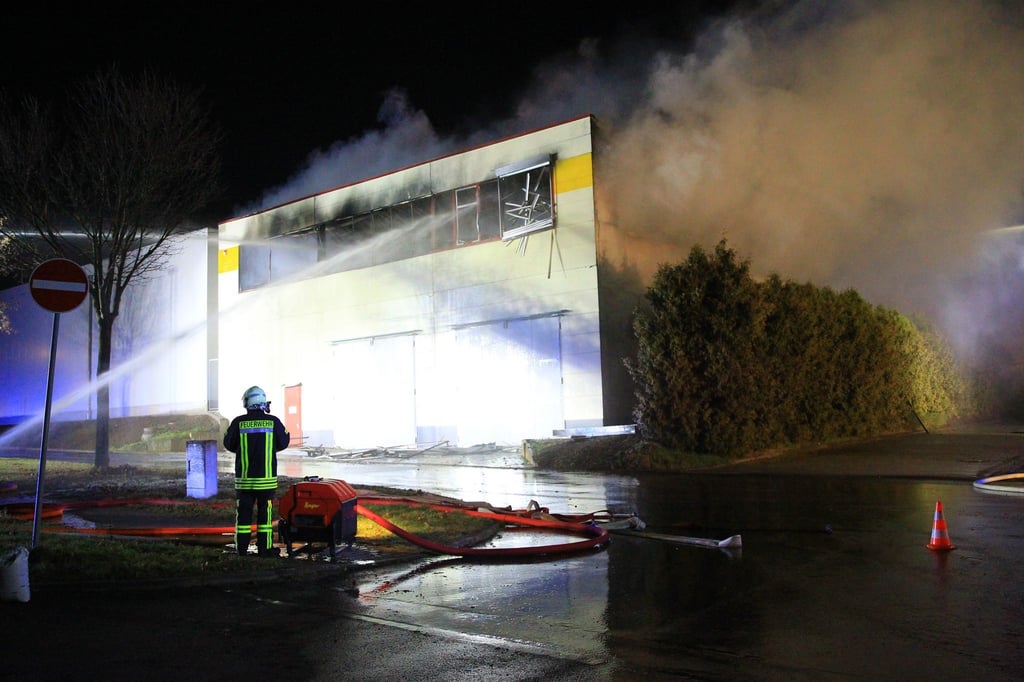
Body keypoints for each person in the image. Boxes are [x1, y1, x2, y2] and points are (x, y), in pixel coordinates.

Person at [223, 385, 290, 557]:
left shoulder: (238, 422)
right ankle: (265, 549)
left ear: (247, 403)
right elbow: (283, 441)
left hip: (244, 481)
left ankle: (241, 549)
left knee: (243, 517)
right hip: (266, 481)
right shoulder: (273, 421)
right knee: (265, 518)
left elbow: (228, 444)